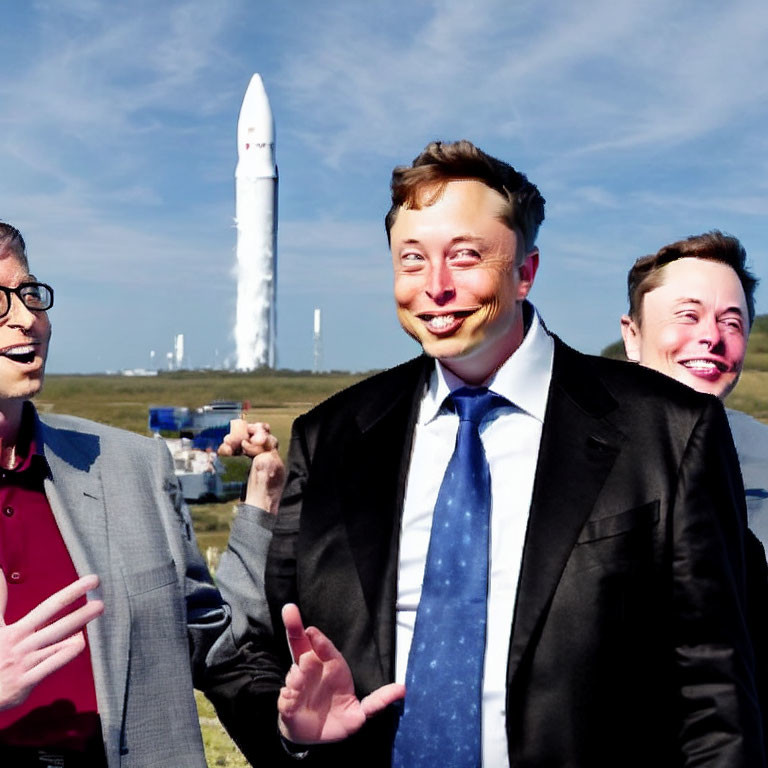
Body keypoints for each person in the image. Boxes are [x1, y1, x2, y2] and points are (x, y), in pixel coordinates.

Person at [208, 142, 764, 768]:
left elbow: (713, 689)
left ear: (526, 271)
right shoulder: (332, 437)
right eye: (411, 260)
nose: (436, 287)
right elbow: (260, 650)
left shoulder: (668, 429)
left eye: (466, 257)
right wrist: (296, 739)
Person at [0, 220, 248, 767]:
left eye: (28, 293)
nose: (26, 318)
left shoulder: (132, 468)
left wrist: (260, 515)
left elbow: (212, 646)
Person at [620, 231, 768, 544]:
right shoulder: (561, 457)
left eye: (731, 323)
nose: (712, 337)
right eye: (688, 315)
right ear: (633, 336)